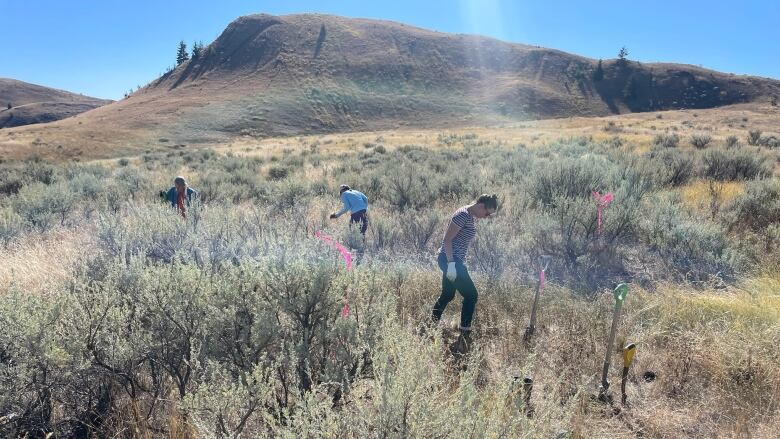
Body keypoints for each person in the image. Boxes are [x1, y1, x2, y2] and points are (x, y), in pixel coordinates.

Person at [431, 193, 498, 355]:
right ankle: (464, 335)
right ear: (481, 206)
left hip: (452, 261)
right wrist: (452, 265)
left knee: (447, 295)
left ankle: (430, 326)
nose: (487, 217)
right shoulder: (463, 215)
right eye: (487, 213)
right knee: (471, 296)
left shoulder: (469, 215)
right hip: (450, 261)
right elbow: (447, 240)